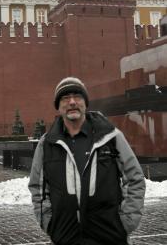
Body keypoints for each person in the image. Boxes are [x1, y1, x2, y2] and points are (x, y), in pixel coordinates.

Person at [28, 77, 146, 245]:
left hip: (110, 236)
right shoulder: (47, 143)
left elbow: (134, 179)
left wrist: (126, 223)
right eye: (65, 98)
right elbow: (38, 188)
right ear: (58, 106)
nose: (72, 102)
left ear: (85, 102)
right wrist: (49, 224)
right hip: (65, 237)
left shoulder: (110, 137)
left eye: (78, 96)